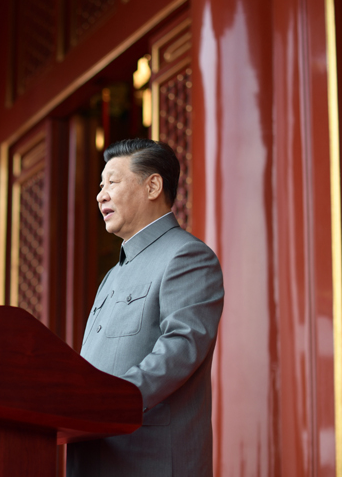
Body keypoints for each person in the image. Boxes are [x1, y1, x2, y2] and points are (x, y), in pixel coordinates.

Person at [67, 139, 224, 476]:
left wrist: (110, 401)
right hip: (92, 451)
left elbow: (181, 345)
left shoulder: (186, 256)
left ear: (153, 186)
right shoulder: (112, 275)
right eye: (101, 186)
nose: (101, 195)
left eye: (112, 182)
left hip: (147, 458)